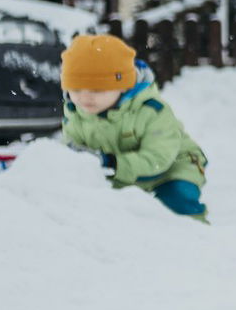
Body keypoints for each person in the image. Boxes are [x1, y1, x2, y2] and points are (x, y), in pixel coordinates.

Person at [59, 34, 210, 222]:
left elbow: (158, 158)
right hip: (119, 171)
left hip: (172, 167)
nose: (84, 97)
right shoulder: (76, 114)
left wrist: (112, 164)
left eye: (97, 90)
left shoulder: (152, 111)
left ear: (122, 86)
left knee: (175, 200)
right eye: (76, 90)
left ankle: (195, 236)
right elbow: (72, 150)